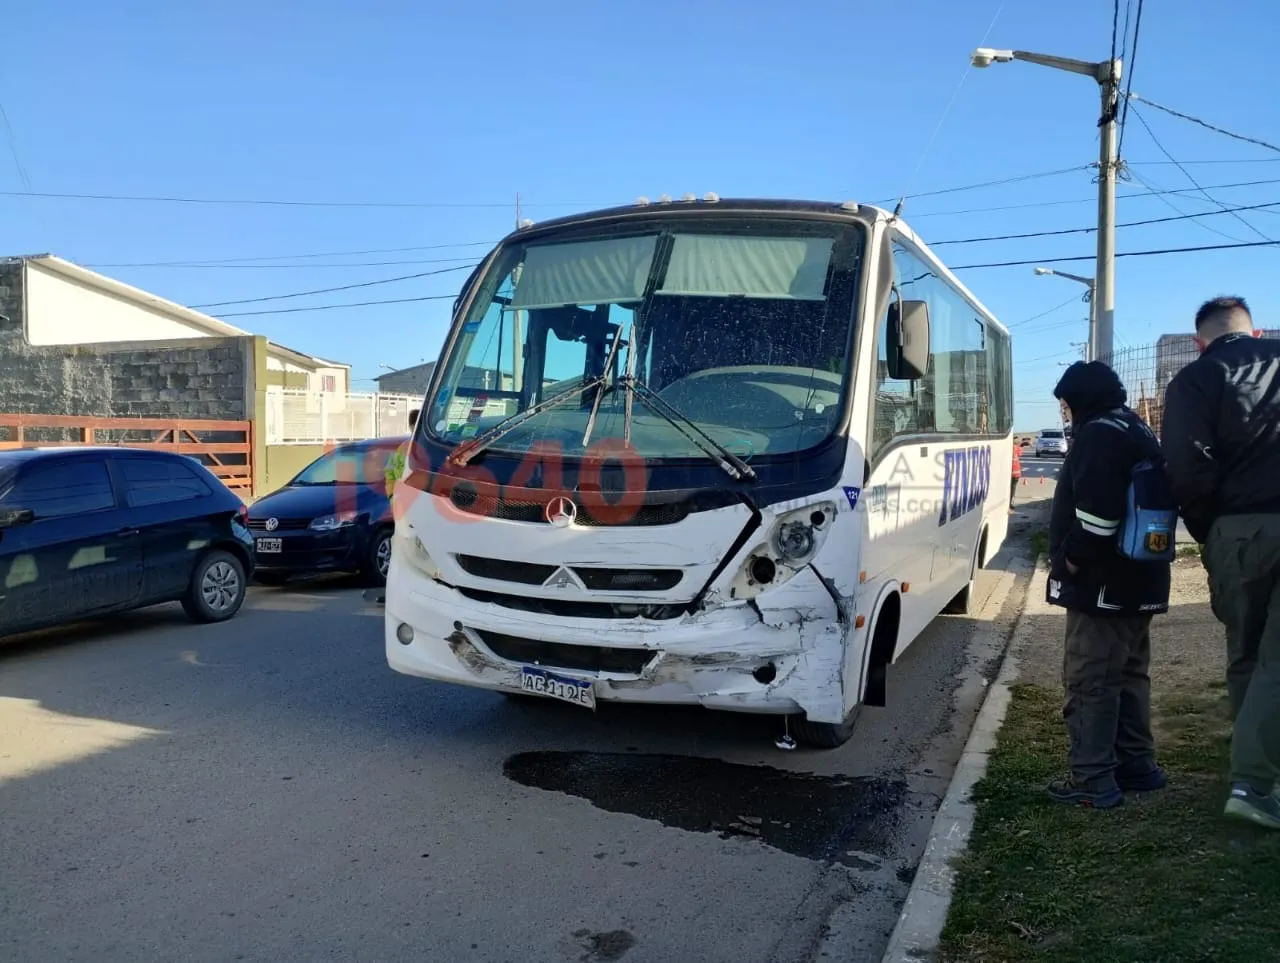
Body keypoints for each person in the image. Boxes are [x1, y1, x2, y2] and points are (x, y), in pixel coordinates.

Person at [1162, 295, 1280, 830]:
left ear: (1199, 341)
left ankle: (1252, 773)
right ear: (1255, 333)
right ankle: (1254, 780)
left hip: (1237, 529)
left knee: (1246, 652)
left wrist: (1208, 528)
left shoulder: (1194, 380)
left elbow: (1186, 463)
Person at [1044, 361, 1172, 808]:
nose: (1065, 413)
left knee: (1090, 678)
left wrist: (1067, 564)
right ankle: (1138, 765)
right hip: (1143, 579)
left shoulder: (1098, 434)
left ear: (1081, 400)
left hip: (1104, 584)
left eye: (1066, 403)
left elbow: (1098, 521)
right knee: (1130, 673)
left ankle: (1093, 779)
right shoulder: (1135, 426)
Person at [384, 407, 420, 498]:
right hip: (404, 500)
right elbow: (389, 471)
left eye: (415, 425)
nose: (413, 429)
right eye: (413, 426)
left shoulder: (427, 447)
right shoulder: (403, 447)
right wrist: (392, 494)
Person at [1010, 441, 1022, 515]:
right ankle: (1010, 504)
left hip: (1010, 473)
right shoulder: (1016, 448)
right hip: (1015, 473)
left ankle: (1008, 503)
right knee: (1012, 489)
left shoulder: (1006, 447)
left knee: (1009, 490)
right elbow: (1020, 453)